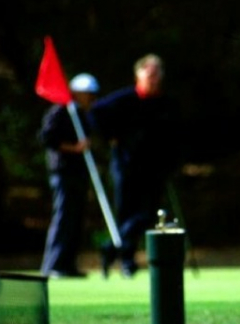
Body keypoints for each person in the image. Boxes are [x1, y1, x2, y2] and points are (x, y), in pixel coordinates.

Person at [90, 54, 179, 277]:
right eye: (149, 74)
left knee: (147, 216)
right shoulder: (124, 99)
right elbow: (95, 113)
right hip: (126, 166)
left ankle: (111, 249)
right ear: (138, 74)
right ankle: (126, 260)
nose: (154, 78)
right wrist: (111, 136)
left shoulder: (165, 102)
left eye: (157, 74)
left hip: (154, 168)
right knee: (126, 213)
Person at [39, 73, 100, 278]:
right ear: (77, 93)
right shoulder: (60, 111)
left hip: (79, 172)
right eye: (88, 94)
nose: (91, 98)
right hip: (63, 172)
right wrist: (74, 148)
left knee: (76, 219)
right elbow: (47, 138)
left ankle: (68, 265)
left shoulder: (83, 114)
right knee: (63, 218)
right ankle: (53, 265)